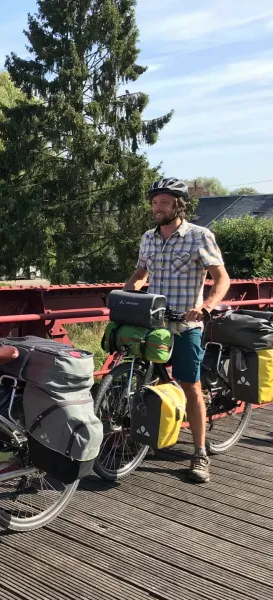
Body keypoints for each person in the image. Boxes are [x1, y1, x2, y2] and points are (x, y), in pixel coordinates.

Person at [123, 177, 231, 483]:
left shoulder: (199, 236)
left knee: (190, 385)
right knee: (145, 376)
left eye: (165, 202)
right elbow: (140, 273)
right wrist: (124, 295)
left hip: (186, 325)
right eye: (155, 203)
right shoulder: (148, 238)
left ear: (178, 205)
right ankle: (148, 431)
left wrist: (207, 305)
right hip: (155, 323)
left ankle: (199, 452)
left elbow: (222, 278)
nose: (158, 208)